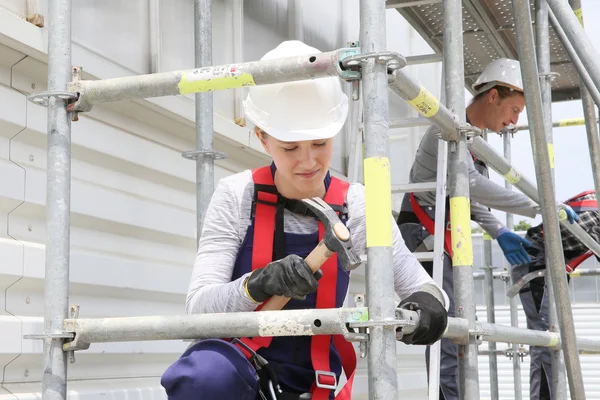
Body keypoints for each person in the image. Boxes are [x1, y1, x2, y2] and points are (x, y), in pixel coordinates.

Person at [159, 40, 450, 400]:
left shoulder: (357, 205)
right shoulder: (236, 196)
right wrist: (257, 285)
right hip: (238, 369)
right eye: (290, 148)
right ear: (263, 138)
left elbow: (422, 287)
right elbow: (198, 309)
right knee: (204, 378)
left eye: (320, 143)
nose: (309, 161)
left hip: (317, 377)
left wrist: (429, 309)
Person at [396, 58, 579, 400]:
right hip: (423, 232)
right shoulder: (449, 129)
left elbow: (469, 196)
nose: (514, 121)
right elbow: (472, 185)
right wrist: (541, 206)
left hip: (442, 230)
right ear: (493, 96)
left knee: (460, 325)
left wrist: (499, 231)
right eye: (514, 109)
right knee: (448, 325)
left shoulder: (474, 143)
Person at [512, 189, 598, 400]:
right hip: (536, 263)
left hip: (552, 264)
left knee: (553, 340)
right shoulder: (595, 211)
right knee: (546, 340)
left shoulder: (593, 200)